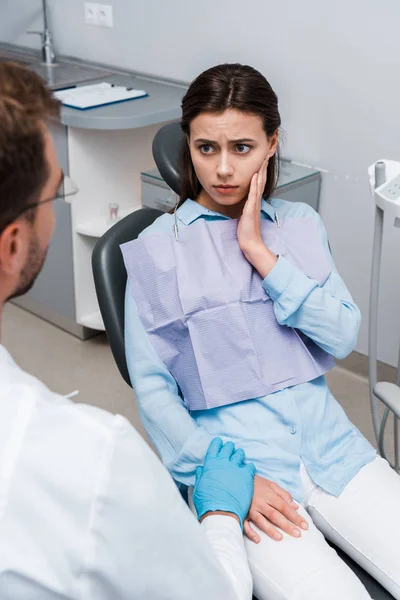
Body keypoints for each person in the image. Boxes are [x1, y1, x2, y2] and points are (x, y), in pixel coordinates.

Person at [123, 62, 400, 600]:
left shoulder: (296, 225)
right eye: (207, 149)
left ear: (272, 144)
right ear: (189, 145)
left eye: (242, 148)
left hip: (334, 451)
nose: (223, 169)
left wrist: (259, 253)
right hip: (243, 474)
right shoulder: (158, 252)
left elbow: (341, 334)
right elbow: (156, 396)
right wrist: (230, 483)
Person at [0, 61, 256, 599]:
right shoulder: (92, 462)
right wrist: (220, 514)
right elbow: (213, 593)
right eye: (57, 192)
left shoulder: (291, 229)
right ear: (12, 245)